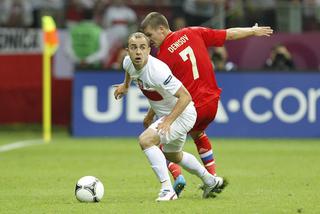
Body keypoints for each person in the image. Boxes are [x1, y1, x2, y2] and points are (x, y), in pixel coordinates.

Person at [140, 12, 273, 196]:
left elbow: (165, 93)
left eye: (149, 35)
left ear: (161, 29)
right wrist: (252, 30)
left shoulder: (162, 59)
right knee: (198, 133)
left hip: (191, 107)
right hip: (212, 103)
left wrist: (149, 115)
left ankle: (177, 177)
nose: (148, 40)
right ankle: (212, 178)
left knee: (154, 140)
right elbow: (229, 34)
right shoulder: (193, 32)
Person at [113, 32, 224, 201]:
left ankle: (167, 190)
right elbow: (130, 73)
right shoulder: (127, 62)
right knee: (173, 154)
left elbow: (186, 96)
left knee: (146, 140)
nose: (138, 52)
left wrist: (168, 122)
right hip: (169, 115)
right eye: (133, 48)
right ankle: (210, 181)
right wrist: (126, 86)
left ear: (149, 50)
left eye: (143, 48)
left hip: (184, 114)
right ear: (127, 50)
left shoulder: (157, 71)